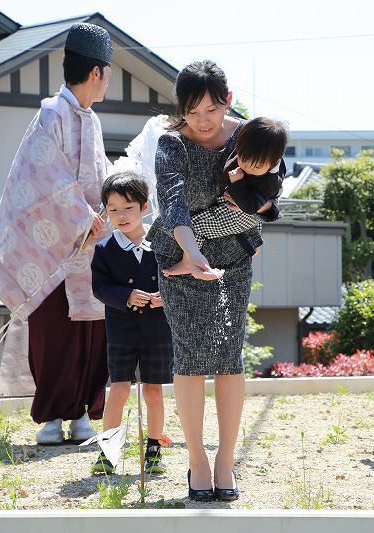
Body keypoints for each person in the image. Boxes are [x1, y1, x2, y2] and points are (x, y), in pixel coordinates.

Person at [147, 59, 278, 502]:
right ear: (181, 109)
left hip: (234, 257)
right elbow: (172, 203)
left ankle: (226, 459)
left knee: (227, 354)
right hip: (178, 255)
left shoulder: (247, 136)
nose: (203, 121)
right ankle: (197, 460)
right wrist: (191, 251)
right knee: (190, 356)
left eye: (211, 109)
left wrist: (257, 213)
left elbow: (270, 184)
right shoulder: (171, 144)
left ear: (228, 100)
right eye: (192, 111)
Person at [0, 23, 113, 445]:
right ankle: (52, 419)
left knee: (91, 329)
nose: (108, 79)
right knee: (55, 330)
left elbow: (102, 174)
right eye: (108, 71)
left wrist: (113, 206)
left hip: (89, 243)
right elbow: (42, 179)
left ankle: (83, 415)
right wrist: (81, 215)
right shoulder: (51, 113)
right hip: (55, 246)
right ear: (96, 72)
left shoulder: (91, 121)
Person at [90, 171, 173, 475]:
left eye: (128, 208)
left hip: (157, 330)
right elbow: (99, 287)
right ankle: (108, 451)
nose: (120, 215)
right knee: (120, 389)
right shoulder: (104, 249)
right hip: (121, 330)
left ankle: (153, 450)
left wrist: (165, 295)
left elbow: (178, 276)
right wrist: (126, 295)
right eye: (112, 209)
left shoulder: (163, 243)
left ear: (144, 206)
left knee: (153, 390)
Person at [165, 116, 287, 275]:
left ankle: (187, 262)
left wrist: (237, 182)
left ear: (273, 163)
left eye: (257, 166)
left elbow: (250, 206)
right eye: (244, 159)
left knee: (194, 226)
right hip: (239, 205)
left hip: (247, 210)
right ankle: (251, 241)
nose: (249, 168)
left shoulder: (269, 181)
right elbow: (225, 175)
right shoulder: (247, 153)